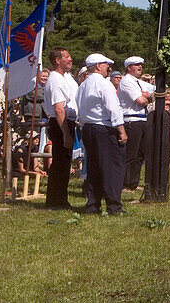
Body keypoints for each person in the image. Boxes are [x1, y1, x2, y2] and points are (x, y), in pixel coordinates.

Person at [75, 54, 127, 215]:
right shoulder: (104, 85)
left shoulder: (83, 86)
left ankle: (93, 204)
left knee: (94, 167)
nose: (108, 68)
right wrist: (121, 130)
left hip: (88, 128)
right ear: (98, 66)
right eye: (106, 65)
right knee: (112, 167)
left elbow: (79, 108)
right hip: (104, 127)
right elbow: (113, 108)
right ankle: (113, 206)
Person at [42, 48, 78, 211]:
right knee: (60, 163)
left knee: (64, 163)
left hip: (64, 121)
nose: (70, 59)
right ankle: (55, 200)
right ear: (58, 60)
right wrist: (66, 134)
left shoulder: (63, 78)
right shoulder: (55, 79)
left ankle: (60, 199)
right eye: (67, 57)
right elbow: (58, 109)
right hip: (60, 123)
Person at [118, 56, 152, 192]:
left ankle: (133, 182)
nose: (139, 67)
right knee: (131, 154)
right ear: (128, 67)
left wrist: (148, 96)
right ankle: (125, 183)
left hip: (142, 119)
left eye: (140, 65)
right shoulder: (126, 81)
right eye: (136, 65)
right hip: (131, 120)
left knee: (140, 153)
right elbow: (140, 101)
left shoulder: (138, 82)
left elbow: (155, 91)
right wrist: (148, 97)